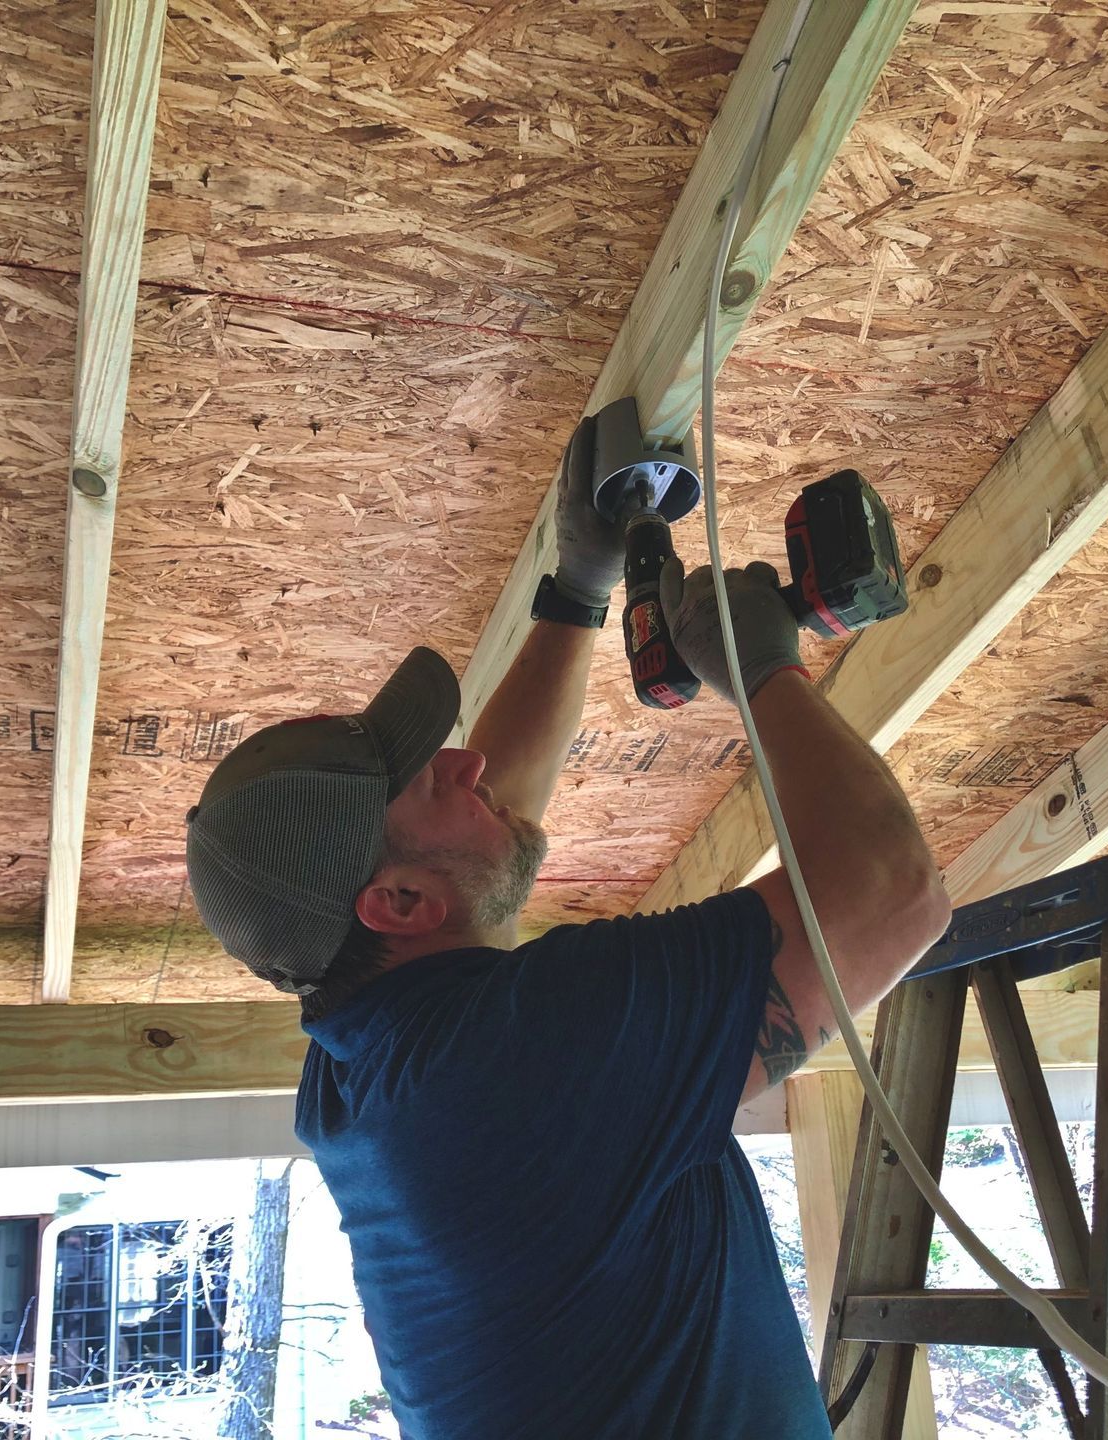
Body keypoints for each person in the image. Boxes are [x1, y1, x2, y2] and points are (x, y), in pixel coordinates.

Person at [184, 428, 951, 1439]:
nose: (468, 766)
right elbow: (891, 895)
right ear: (401, 907)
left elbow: (477, 837)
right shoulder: (485, 1063)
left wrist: (578, 586)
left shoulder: (382, 1052)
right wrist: (764, 667)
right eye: (430, 779)